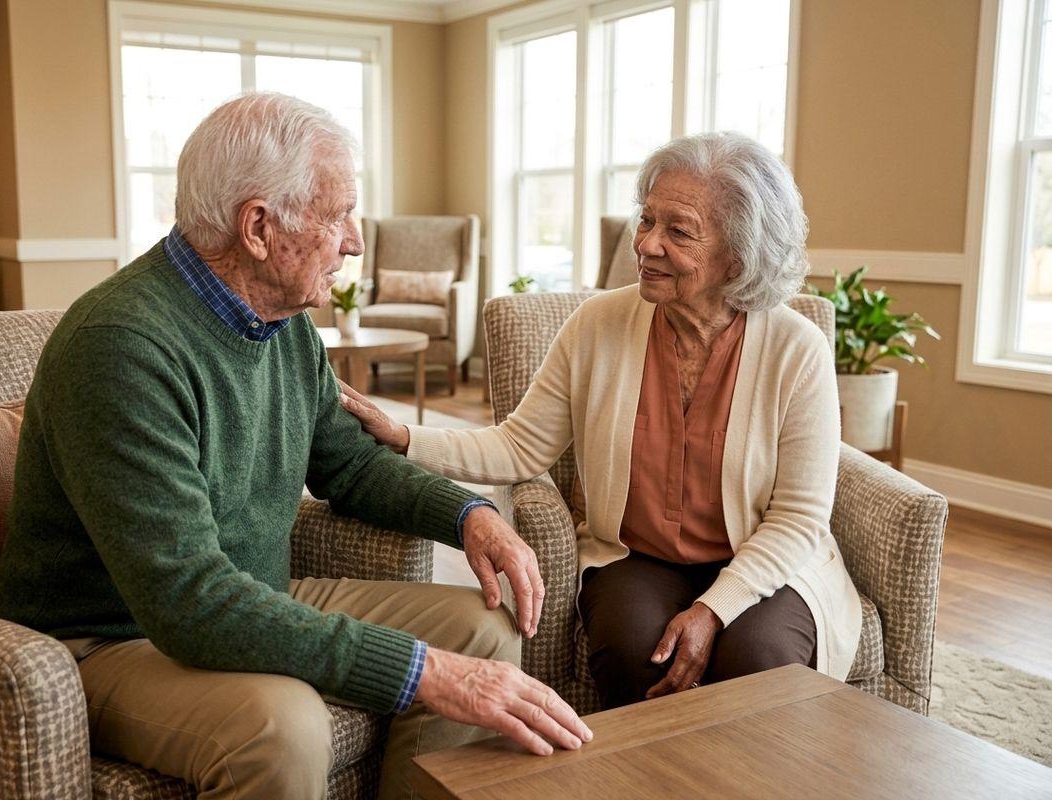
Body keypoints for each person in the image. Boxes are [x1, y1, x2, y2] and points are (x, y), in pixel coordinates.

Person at [0, 92, 590, 800]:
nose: (356, 241)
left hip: (249, 594)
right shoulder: (120, 348)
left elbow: (351, 465)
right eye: (338, 215)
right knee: (282, 727)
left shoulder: (282, 322)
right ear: (258, 227)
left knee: (482, 625)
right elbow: (189, 600)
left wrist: (470, 517)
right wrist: (424, 671)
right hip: (105, 641)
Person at [340, 132, 863, 711]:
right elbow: (519, 447)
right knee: (634, 651)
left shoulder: (797, 350)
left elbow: (798, 517)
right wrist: (405, 436)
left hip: (768, 562)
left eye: (678, 231)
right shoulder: (598, 326)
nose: (646, 245)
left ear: (738, 255)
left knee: (757, 662)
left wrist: (713, 610)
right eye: (646, 221)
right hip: (640, 557)